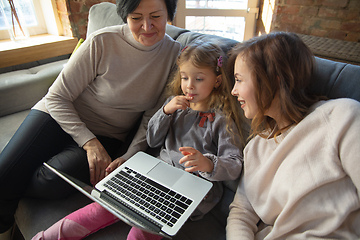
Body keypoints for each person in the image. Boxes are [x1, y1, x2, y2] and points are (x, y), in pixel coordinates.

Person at [0, 0, 180, 239]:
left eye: (155, 16)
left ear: (169, 13)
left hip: (109, 133)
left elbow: (152, 116)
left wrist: (130, 155)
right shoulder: (102, 41)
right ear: (125, 16)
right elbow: (56, 97)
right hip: (57, 115)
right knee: (4, 173)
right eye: (136, 18)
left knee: (50, 182)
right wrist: (89, 143)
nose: (147, 26)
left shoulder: (175, 55)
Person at [32, 41, 246, 240]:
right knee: (102, 204)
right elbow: (153, 140)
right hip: (157, 171)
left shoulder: (222, 119)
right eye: (184, 77)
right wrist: (165, 112)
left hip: (191, 186)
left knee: (141, 229)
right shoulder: (174, 104)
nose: (189, 86)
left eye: (199, 79)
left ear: (217, 80)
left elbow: (235, 163)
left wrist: (208, 163)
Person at [227, 31, 360, 239]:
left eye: (239, 80)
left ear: (273, 80)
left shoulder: (341, 117)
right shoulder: (255, 148)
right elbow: (241, 212)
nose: (234, 91)